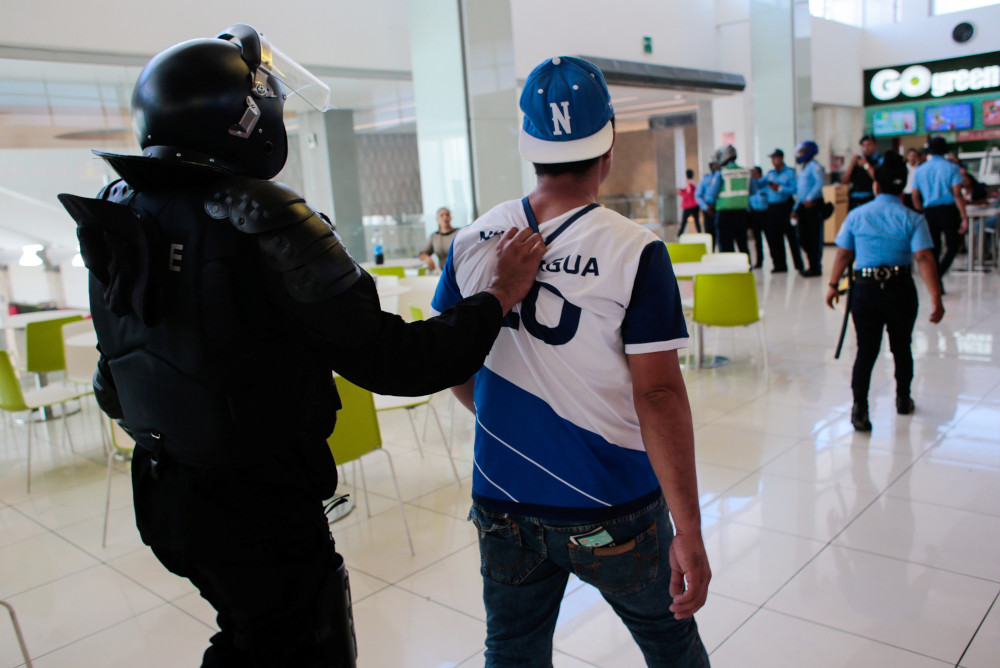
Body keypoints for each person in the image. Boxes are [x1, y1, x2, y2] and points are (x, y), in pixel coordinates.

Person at [57, 25, 545, 668]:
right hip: (256, 507)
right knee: (300, 642)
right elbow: (397, 361)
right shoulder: (258, 213)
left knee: (250, 636)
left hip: (164, 490)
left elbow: (112, 384)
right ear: (242, 117)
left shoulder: (122, 208)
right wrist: (498, 296)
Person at [431, 56, 710, 667]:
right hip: (612, 506)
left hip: (502, 497)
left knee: (512, 650)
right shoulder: (635, 251)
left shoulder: (472, 242)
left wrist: (503, 415)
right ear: (608, 145)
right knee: (668, 640)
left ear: (529, 145)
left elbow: (450, 357)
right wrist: (688, 530)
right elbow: (658, 395)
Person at [825, 151, 944, 432]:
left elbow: (843, 254)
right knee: (902, 346)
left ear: (876, 185)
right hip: (900, 288)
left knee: (866, 350)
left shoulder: (857, 215)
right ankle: (903, 399)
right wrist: (937, 298)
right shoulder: (913, 218)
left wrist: (832, 286)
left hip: (865, 291)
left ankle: (860, 410)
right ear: (900, 186)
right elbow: (924, 258)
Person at [911, 136, 968, 287]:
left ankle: (936, 282)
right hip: (948, 211)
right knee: (953, 245)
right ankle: (939, 275)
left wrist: (922, 210)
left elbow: (915, 196)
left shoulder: (920, 170)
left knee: (934, 249)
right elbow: (957, 193)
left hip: (929, 211)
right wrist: (964, 216)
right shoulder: (952, 167)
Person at [706, 144, 751, 255]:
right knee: (743, 245)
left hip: (725, 215)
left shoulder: (721, 173)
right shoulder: (746, 172)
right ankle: (746, 270)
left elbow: (711, 195)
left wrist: (710, 204)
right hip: (742, 214)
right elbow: (752, 192)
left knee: (726, 247)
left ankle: (729, 270)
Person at [763, 147, 803, 273]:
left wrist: (780, 188)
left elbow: (795, 189)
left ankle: (798, 264)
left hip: (785, 206)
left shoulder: (790, 173)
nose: (774, 161)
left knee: (791, 237)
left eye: (776, 158)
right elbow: (762, 187)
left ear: (781, 158)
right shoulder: (769, 174)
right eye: (772, 159)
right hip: (772, 208)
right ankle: (779, 265)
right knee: (774, 237)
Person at [795, 140, 827, 277]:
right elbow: (800, 190)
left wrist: (810, 198)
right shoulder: (804, 168)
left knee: (814, 237)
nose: (800, 155)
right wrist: (795, 207)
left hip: (813, 206)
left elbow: (820, 182)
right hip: (802, 207)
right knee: (803, 238)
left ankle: (815, 267)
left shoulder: (815, 166)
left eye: (802, 152)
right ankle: (811, 264)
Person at [840, 134, 882, 211]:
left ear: (875, 145)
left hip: (870, 199)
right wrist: (852, 164)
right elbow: (844, 181)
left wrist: (866, 165)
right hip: (854, 200)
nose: (866, 148)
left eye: (869, 145)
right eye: (863, 146)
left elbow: (878, 178)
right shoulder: (857, 161)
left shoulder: (879, 160)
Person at [419, 206, 459, 272]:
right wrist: (428, 259)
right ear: (437, 219)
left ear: (451, 217)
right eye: (441, 215)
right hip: (443, 273)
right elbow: (423, 254)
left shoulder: (459, 233)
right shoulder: (434, 237)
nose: (445, 217)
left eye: (447, 215)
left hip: (459, 271)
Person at [694, 160, 720, 248]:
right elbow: (698, 195)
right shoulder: (705, 179)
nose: (714, 167)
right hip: (708, 210)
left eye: (715, 165)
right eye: (712, 165)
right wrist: (705, 207)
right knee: (710, 235)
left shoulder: (721, 177)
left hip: (719, 208)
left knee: (721, 236)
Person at [748, 166, 768, 268]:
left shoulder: (765, 184)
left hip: (766, 213)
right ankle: (759, 261)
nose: (753, 175)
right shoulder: (751, 187)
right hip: (754, 214)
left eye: (754, 173)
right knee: (757, 239)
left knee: (770, 238)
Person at [678, 168, 701, 234]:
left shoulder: (690, 184)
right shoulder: (694, 183)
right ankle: (700, 233)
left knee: (684, 222)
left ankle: (679, 235)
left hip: (689, 205)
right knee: (696, 222)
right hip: (695, 205)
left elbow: (689, 194)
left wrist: (681, 193)